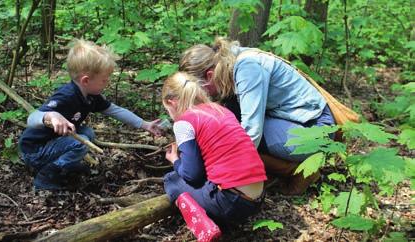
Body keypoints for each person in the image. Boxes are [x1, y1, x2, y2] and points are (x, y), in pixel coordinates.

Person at [179, 37, 336, 195]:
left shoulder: (247, 67)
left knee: (236, 136)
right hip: (292, 121)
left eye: (200, 90)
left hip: (316, 130)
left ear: (209, 75)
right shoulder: (229, 62)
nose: (201, 96)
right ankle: (286, 167)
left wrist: (224, 173)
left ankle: (298, 172)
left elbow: (251, 132)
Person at [19, 39, 161, 190]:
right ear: (86, 80)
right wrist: (51, 116)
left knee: (87, 133)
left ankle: (67, 165)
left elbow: (115, 110)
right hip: (35, 151)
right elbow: (31, 118)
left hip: (53, 143)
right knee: (82, 141)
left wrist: (144, 124)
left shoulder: (90, 96)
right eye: (104, 80)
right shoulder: (66, 96)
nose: (107, 84)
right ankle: (48, 175)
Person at [162, 72, 267, 227]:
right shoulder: (219, 110)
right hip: (258, 198)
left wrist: (175, 161)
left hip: (232, 201)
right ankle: (223, 223)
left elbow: (193, 176)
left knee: (171, 179)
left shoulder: (183, 122)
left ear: (172, 102)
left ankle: (204, 227)